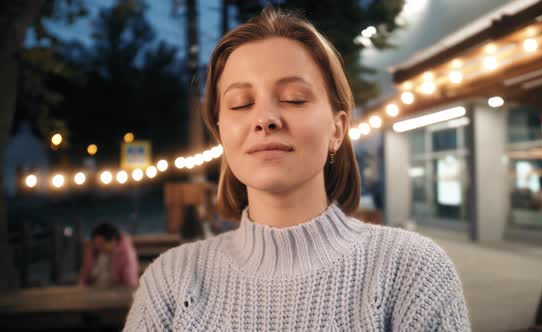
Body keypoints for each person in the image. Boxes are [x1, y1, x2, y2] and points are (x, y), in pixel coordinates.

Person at [124, 7, 470, 331]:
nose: (265, 119)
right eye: (240, 104)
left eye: (294, 98)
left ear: (337, 129)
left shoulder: (411, 270)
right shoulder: (170, 281)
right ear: (222, 133)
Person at [78, 222, 139, 288]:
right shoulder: (93, 252)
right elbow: (84, 276)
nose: (98, 247)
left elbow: (130, 282)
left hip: (116, 293)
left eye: (101, 243)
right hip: (93, 291)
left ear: (112, 240)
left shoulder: (126, 254)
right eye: (96, 244)